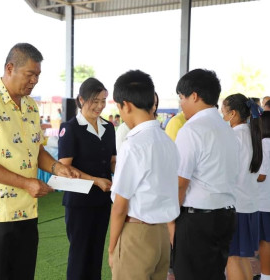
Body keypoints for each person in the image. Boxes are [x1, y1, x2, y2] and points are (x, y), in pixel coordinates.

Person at [0, 43, 78, 280]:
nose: (34, 81)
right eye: (30, 74)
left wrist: (58, 167)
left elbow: (36, 150)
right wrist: (26, 183)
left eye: (37, 75)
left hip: (27, 211)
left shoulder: (31, 106)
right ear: (9, 68)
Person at [108, 70, 179, 280]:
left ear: (126, 105)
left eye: (119, 108)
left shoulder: (133, 145)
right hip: (161, 236)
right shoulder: (168, 142)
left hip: (137, 234)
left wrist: (112, 248)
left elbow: (120, 206)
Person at [173, 69, 238, 280]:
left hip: (197, 221)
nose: (181, 104)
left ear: (194, 96)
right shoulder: (228, 128)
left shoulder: (191, 130)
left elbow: (180, 184)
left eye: (181, 98)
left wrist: (170, 223)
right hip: (225, 215)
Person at [58, 77, 116, 280]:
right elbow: (64, 167)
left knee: (96, 252)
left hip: (102, 200)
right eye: (95, 100)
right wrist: (95, 180)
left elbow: (112, 161)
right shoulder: (70, 128)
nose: (100, 105)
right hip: (79, 202)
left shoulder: (109, 128)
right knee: (79, 254)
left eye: (103, 100)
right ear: (81, 99)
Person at [221, 94, 263, 280]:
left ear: (233, 113)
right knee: (242, 259)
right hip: (250, 206)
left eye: (223, 112)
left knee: (232, 259)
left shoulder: (233, 137)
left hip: (236, 208)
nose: (222, 117)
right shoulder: (251, 134)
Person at [257, 112, 270, 280]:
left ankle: (266, 276)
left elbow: (261, 175)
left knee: (265, 241)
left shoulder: (264, 145)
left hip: (265, 201)